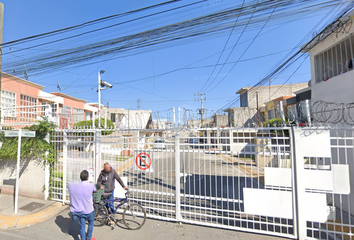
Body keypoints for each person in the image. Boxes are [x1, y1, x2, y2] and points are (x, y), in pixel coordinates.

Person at [68, 170, 97, 240]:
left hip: (81, 211)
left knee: (82, 227)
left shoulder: (76, 186)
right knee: (91, 222)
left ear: (80, 177)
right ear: (88, 177)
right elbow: (95, 190)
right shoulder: (91, 185)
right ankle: (89, 238)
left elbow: (70, 183)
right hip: (89, 210)